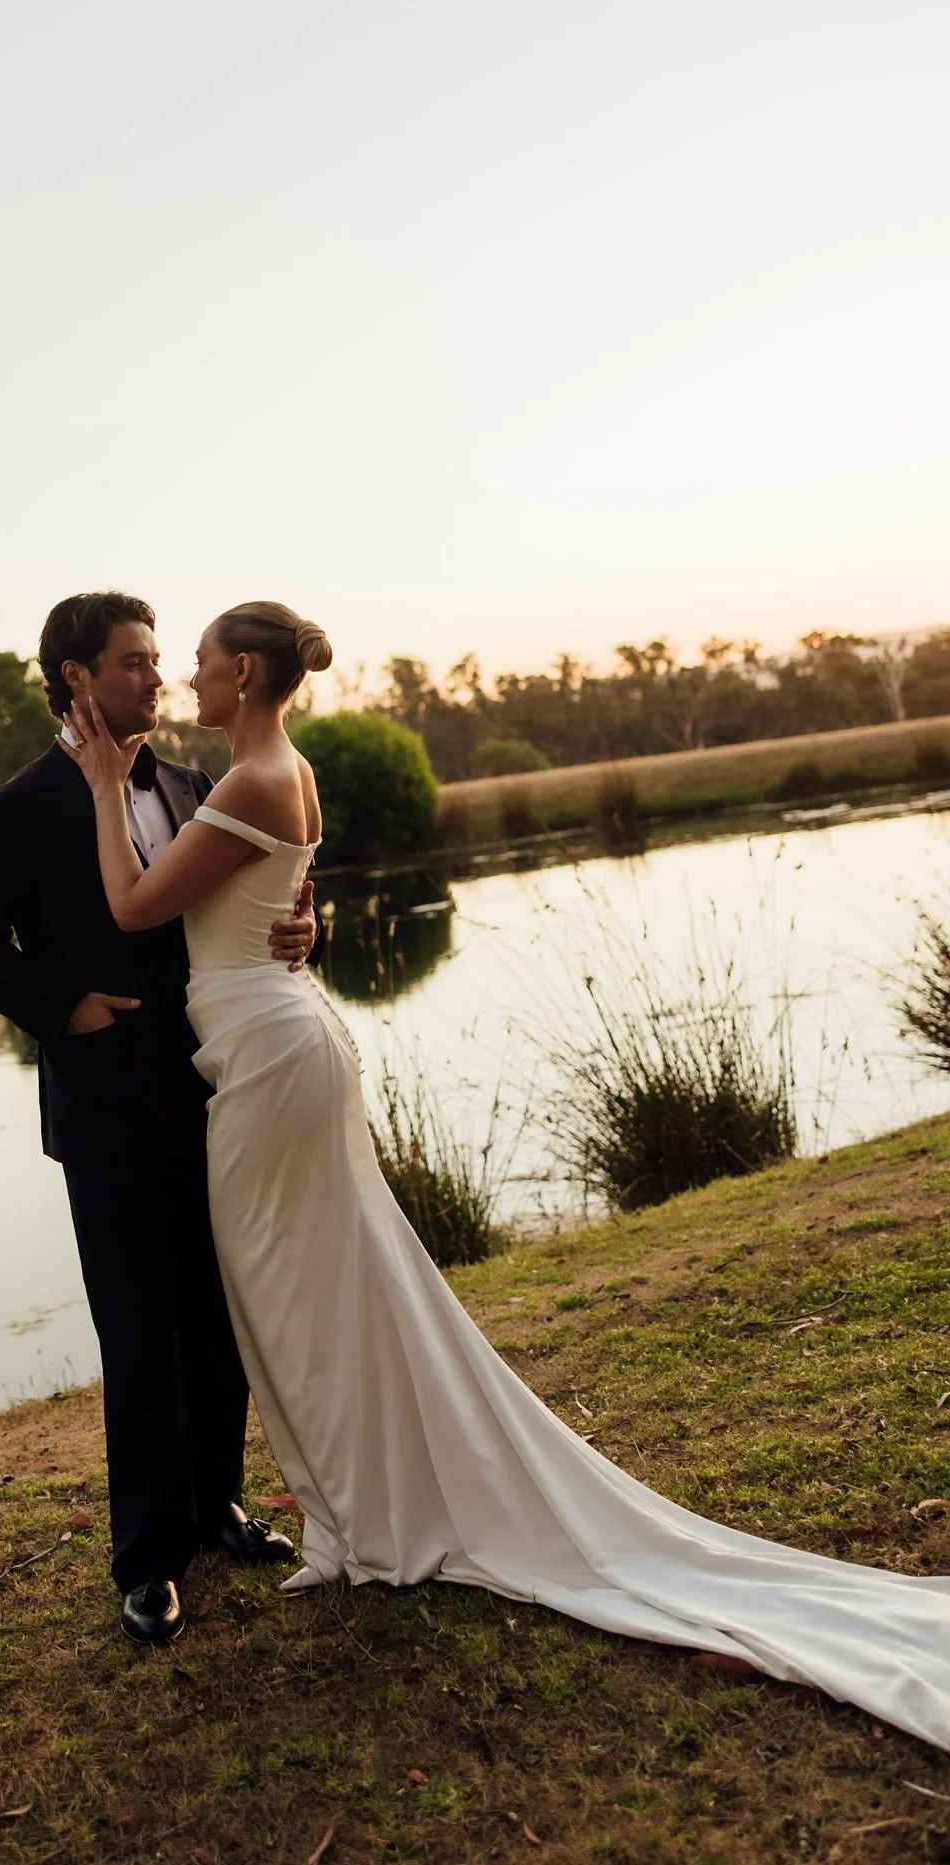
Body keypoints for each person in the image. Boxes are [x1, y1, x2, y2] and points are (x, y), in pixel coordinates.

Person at [59, 597, 950, 1751]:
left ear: (241, 672)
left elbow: (138, 900)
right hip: (273, 1044)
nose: (185, 676)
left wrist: (96, 790)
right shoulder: (279, 769)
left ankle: (375, 1516)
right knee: (319, 1288)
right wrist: (303, 917)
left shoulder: (248, 781)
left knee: (288, 1292)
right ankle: (367, 1505)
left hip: (274, 1060)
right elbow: (270, 895)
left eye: (198, 663)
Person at [0, 592, 319, 1646]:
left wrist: (301, 925)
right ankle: (148, 1560)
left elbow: (259, 894)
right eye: (136, 663)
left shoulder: (199, 783)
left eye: (160, 662)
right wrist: (65, 1008)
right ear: (77, 678)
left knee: (216, 1311)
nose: (157, 680)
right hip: (107, 1106)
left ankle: (216, 1509)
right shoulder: (19, 807)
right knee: (139, 1329)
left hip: (218, 1089)